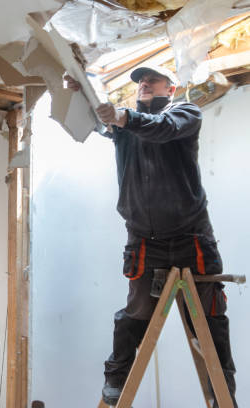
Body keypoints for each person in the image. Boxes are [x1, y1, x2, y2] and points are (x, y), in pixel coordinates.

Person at [65, 66, 237, 407]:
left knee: (208, 316)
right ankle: (115, 381)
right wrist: (78, 92)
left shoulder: (185, 113)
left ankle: (221, 393)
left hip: (192, 237)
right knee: (136, 313)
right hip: (144, 239)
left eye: (152, 80)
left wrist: (123, 116)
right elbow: (94, 121)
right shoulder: (123, 125)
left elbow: (161, 129)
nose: (144, 84)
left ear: (170, 89)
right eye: (141, 81)